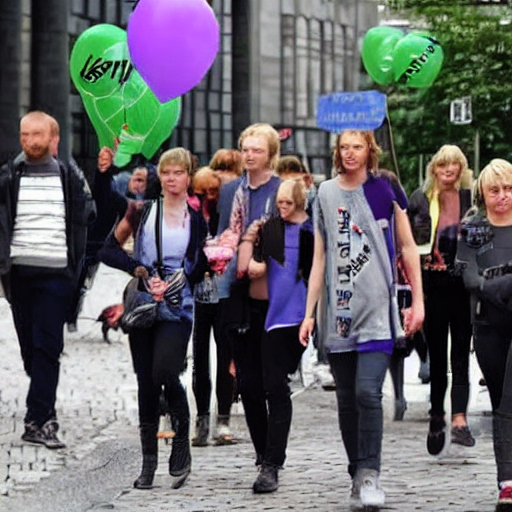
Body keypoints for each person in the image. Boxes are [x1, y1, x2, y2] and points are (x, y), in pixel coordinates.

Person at [299, 129, 424, 509]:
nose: (350, 153)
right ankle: (356, 470)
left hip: (378, 310)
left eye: (357, 147)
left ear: (370, 151)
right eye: (344, 147)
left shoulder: (384, 190)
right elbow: (319, 258)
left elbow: (407, 248)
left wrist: (418, 300)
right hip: (338, 313)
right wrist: (309, 315)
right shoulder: (323, 194)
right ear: (336, 153)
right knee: (347, 399)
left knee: (369, 392)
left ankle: (370, 474)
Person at [99, 147, 208, 490]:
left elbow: (201, 262)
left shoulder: (197, 218)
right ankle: (148, 463)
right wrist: (138, 269)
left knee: (165, 370)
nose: (172, 179)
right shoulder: (142, 211)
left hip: (179, 306)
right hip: (144, 304)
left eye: (178, 172)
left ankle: (181, 427)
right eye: (166, 173)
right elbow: (107, 249)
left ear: (189, 176)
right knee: (146, 382)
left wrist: (184, 277)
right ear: (159, 177)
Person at [0, 110, 95, 449]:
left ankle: (40, 419)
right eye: (24, 135)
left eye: (37, 135)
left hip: (56, 276)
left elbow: (92, 217)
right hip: (19, 275)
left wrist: (76, 272)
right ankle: (39, 401)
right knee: (31, 349)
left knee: (48, 348)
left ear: (54, 138)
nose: (30, 142)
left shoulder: (70, 178)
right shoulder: (10, 176)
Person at [219, 124, 281, 474]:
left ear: (269, 154)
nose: (249, 155)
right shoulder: (232, 191)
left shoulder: (281, 190)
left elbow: (294, 237)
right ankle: (263, 451)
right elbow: (223, 231)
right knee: (248, 380)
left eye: (256, 150)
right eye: (245, 148)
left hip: (273, 293)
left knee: (273, 379)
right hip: (237, 290)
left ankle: (274, 451)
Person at [245, 178, 313, 493]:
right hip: (269, 315)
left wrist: (313, 319)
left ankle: (272, 464)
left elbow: (316, 275)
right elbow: (254, 266)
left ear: (299, 202)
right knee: (263, 385)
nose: (282, 208)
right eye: (279, 202)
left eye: (288, 203)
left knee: (276, 385)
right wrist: (253, 251)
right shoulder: (271, 228)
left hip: (295, 317)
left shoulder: (311, 233)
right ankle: (267, 458)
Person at [408, 144, 475, 455]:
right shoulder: (421, 199)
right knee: (437, 356)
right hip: (432, 283)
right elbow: (408, 241)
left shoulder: (470, 200)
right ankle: (438, 415)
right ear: (433, 169)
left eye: (455, 166)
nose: (449, 171)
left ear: (462, 170)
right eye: (443, 166)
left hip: (462, 283)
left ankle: (460, 419)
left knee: (461, 351)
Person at [457, 158, 512, 511]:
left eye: (508, 189)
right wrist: (501, 284)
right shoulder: (473, 230)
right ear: (483, 192)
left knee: (510, 402)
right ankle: (505, 477)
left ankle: (508, 482)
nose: (503, 197)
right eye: (495, 190)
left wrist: (497, 281)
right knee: (499, 403)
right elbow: (469, 277)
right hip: (489, 327)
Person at [189, 167, 235, 446]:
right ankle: (202, 417)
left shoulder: (227, 217)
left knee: (225, 356)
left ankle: (224, 418)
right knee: (200, 358)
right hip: (199, 294)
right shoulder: (193, 216)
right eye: (201, 192)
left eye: (212, 191)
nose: (207, 197)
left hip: (225, 293)